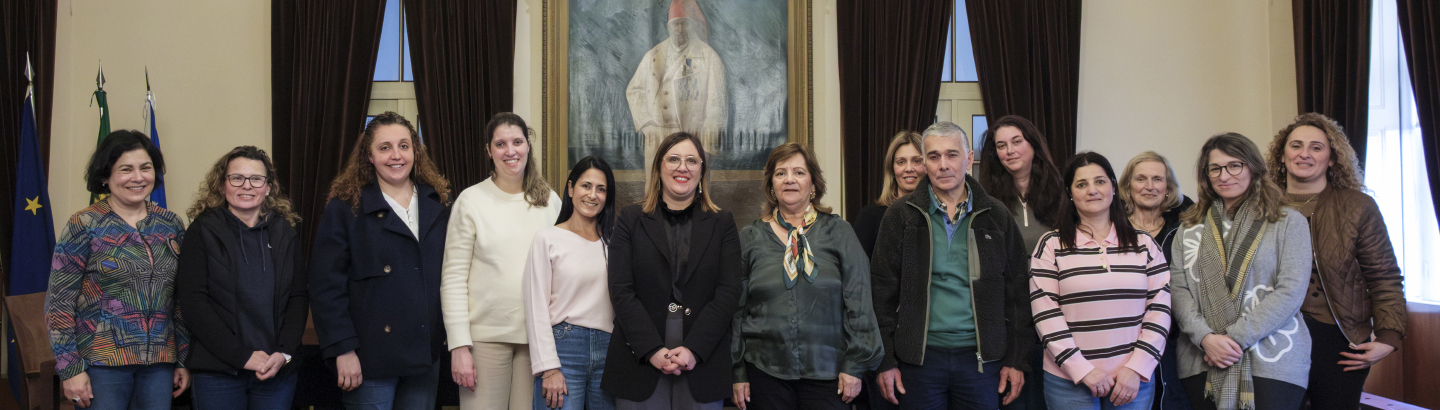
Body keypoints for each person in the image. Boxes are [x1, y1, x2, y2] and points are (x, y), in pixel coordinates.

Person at [870, 122, 1034, 410]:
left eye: (952, 155)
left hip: (981, 362)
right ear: (925, 164)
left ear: (969, 159)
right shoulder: (900, 216)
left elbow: (1018, 292)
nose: (943, 165)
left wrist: (1016, 360)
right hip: (918, 360)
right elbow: (880, 292)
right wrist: (886, 360)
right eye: (933, 157)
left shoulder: (996, 215)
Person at [310, 111, 452, 409]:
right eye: (384, 147)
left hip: (423, 355)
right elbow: (326, 287)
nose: (396, 155)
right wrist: (343, 350)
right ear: (369, 156)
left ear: (415, 151)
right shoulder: (345, 209)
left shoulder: (436, 205)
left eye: (404, 145)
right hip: (368, 357)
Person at [1265, 113, 1406, 410]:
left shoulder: (1358, 206)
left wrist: (1388, 337)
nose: (1305, 153)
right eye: (1296, 146)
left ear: (1332, 159)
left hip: (1339, 340)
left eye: (1316, 147)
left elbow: (1384, 277)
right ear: (1282, 156)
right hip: (1271, 338)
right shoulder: (1259, 208)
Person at [730, 143, 883, 410]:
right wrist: (737, 372)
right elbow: (735, 310)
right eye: (781, 173)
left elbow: (860, 304)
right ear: (771, 185)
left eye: (799, 172)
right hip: (764, 374)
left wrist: (855, 366)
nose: (789, 179)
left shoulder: (840, 232)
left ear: (813, 184)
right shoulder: (750, 237)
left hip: (831, 374)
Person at [47, 130, 191, 410]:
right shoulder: (84, 224)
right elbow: (58, 303)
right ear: (105, 175)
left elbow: (181, 299)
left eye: (145, 168)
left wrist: (183, 358)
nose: (138, 177)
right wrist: (70, 369)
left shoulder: (171, 224)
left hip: (159, 363)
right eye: (126, 169)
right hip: (102, 363)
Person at [1170, 133, 1312, 410]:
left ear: (1253, 168)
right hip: (1200, 357)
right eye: (1215, 168)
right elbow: (1177, 289)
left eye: (1235, 165)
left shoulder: (1287, 222)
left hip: (1272, 359)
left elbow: (1291, 291)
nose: (1225, 175)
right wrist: (1206, 338)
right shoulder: (1188, 228)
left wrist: (1231, 340)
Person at [602, 132, 742, 409]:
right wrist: (651, 349)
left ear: (701, 170)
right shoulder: (630, 219)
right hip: (639, 358)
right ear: (658, 167)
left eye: (692, 160)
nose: (683, 167)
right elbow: (620, 290)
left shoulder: (722, 222)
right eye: (674, 159)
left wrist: (694, 349)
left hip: (702, 358)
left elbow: (728, 292)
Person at [1029, 152, 1171, 409]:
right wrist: (1082, 370)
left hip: (1132, 381)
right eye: (1082, 184)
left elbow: (1159, 311)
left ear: (1114, 188)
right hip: (1068, 381)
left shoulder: (1145, 245)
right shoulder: (1050, 245)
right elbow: (1045, 315)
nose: (1092, 190)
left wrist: (1137, 368)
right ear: (1070, 193)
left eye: (1100, 182)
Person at [442, 112, 561, 410]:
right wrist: (459, 345)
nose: (510, 151)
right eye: (501, 144)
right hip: (484, 341)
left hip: (537, 342)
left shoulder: (550, 201)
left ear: (528, 145)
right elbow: (453, 278)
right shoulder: (471, 201)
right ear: (488, 150)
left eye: (517, 142)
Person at [177, 146, 309, 409]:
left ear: (268, 187)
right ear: (223, 184)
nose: (246, 186)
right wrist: (242, 356)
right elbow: (193, 304)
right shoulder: (202, 231)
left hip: (275, 372)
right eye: (237, 178)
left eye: (256, 179)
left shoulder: (285, 232)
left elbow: (298, 296)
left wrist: (283, 353)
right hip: (218, 373)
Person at [977, 115, 1064, 410]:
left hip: (1057, 315)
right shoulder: (986, 202)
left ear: (1033, 145)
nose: (1009, 151)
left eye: (1016, 142)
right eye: (1001, 146)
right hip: (1008, 319)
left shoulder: (1064, 195)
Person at [524, 156, 619, 410]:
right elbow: (535, 308)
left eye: (601, 189)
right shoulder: (548, 239)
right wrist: (548, 368)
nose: (593, 195)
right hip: (564, 351)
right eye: (586, 186)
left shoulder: (614, 244)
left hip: (609, 353)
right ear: (570, 189)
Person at [1116, 151, 1195, 410]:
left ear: (1168, 188)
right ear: (1128, 186)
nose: (1150, 186)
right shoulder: (1111, 228)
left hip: (1176, 338)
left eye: (1157, 179)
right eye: (1141, 179)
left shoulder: (1187, 227)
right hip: (1123, 339)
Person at [626, 0, 728, 167]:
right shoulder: (654, 54)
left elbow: (717, 107)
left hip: (690, 139)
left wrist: (705, 149)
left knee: (690, 189)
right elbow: (634, 90)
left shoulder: (709, 58)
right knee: (655, 188)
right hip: (657, 139)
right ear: (668, 26)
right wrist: (647, 124)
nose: (679, 30)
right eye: (675, 24)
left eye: (684, 24)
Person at [852, 130, 926, 257]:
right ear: (892, 170)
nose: (909, 168)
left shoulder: (937, 215)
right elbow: (857, 270)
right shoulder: (870, 216)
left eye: (916, 161)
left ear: (927, 166)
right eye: (901, 162)